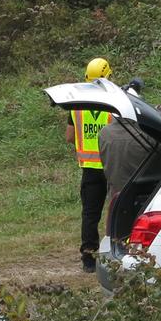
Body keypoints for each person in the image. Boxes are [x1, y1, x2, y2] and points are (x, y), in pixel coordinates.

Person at [66, 57, 113, 272]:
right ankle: (118, 250)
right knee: (117, 209)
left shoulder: (77, 106)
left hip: (89, 169)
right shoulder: (114, 102)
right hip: (112, 166)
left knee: (90, 214)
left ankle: (88, 257)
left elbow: (69, 137)